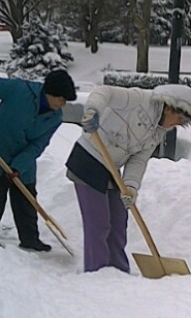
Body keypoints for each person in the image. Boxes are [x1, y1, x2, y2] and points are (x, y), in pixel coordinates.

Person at [65, 84, 191, 273]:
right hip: (88, 159)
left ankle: (118, 270)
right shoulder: (139, 99)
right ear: (169, 107)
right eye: (178, 118)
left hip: (111, 167)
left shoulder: (159, 131)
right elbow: (104, 92)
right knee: (99, 223)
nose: (176, 124)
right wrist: (93, 110)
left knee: (118, 221)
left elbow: (138, 160)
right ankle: (96, 272)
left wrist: (131, 186)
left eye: (182, 122)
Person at [0, 70, 77, 252]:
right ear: (50, 92)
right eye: (61, 99)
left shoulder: (55, 118)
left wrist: (19, 166)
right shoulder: (20, 89)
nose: (63, 104)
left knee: (26, 200)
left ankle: (30, 239)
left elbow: (38, 145)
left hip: (22, 162)